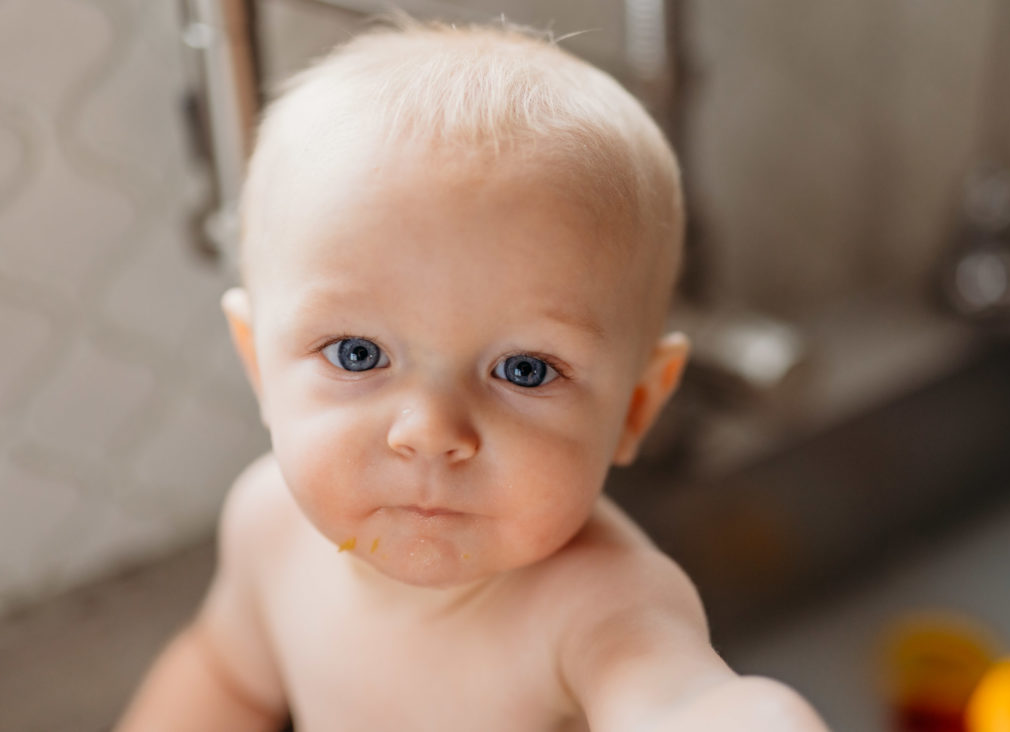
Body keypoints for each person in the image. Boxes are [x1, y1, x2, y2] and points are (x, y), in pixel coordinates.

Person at [118, 18, 829, 732]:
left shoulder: (599, 605)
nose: (430, 432)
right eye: (356, 354)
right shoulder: (268, 524)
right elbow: (226, 675)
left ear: (638, 406)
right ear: (258, 365)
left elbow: (675, 697)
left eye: (524, 370)